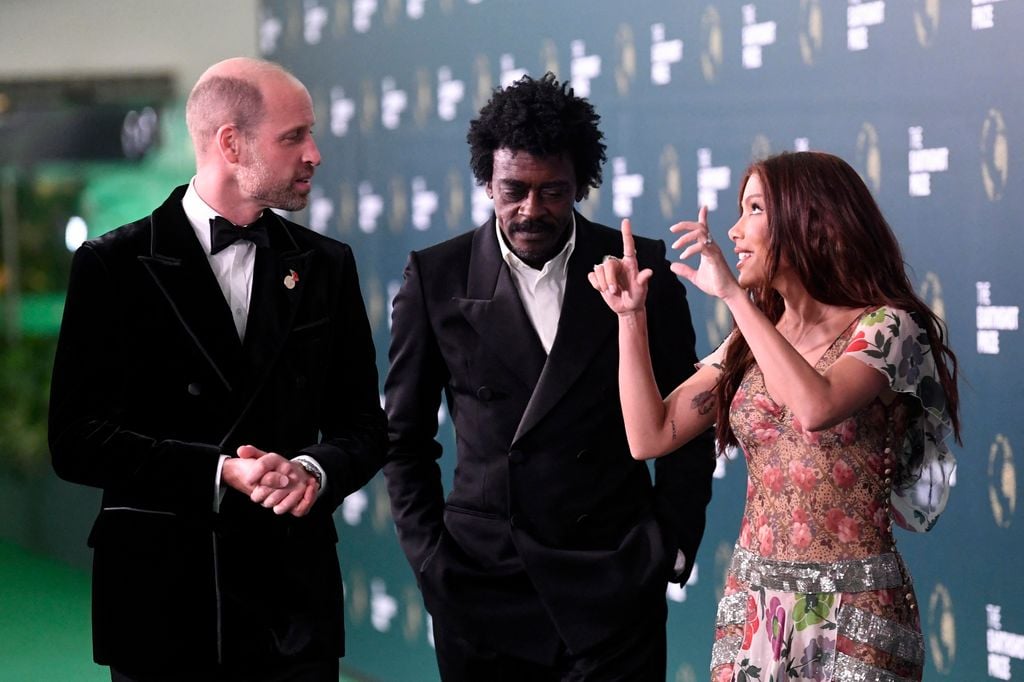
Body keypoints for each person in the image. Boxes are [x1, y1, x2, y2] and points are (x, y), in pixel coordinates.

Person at [48, 57, 386, 682]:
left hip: (291, 608)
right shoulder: (113, 265)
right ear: (231, 143)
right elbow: (76, 442)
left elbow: (364, 425)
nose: (315, 154)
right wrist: (220, 469)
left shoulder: (326, 266)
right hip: (163, 603)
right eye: (294, 137)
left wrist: (311, 469)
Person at [383, 72, 715, 681]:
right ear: (487, 181)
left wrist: (668, 544)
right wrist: (432, 563)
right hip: (482, 589)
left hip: (612, 583)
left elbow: (686, 421)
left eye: (553, 192)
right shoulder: (437, 277)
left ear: (581, 186)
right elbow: (403, 441)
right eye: (514, 190)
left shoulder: (641, 270)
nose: (531, 210)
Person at [590, 150, 961, 682]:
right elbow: (650, 435)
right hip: (755, 606)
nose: (735, 231)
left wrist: (734, 298)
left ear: (811, 218)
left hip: (854, 610)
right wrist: (630, 318)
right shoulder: (753, 337)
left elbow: (816, 408)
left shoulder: (888, 327)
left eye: (755, 210)